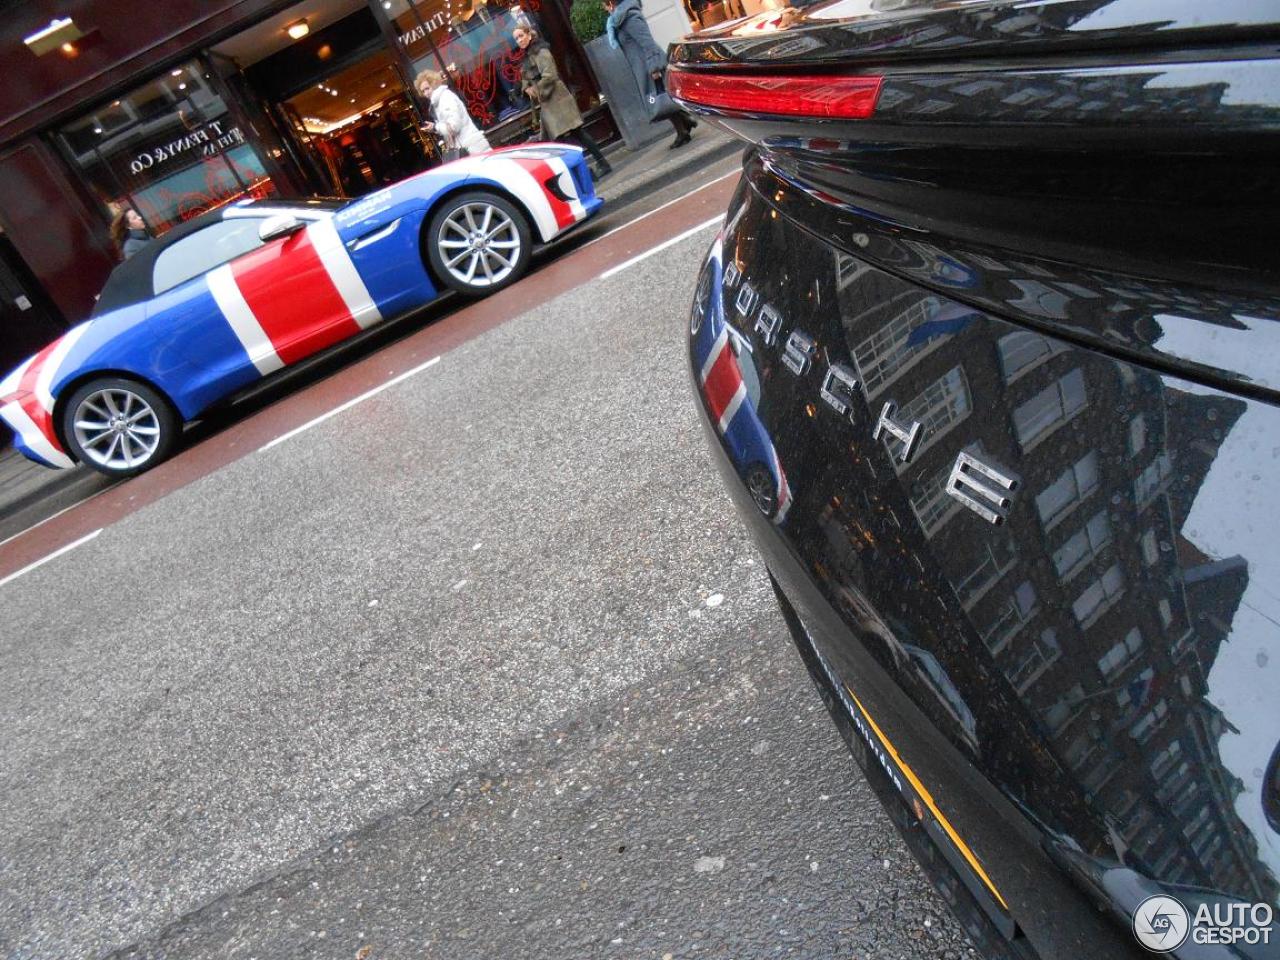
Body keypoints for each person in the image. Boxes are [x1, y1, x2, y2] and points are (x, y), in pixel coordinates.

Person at [513, 26, 613, 178]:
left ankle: (601, 164)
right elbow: (525, 77)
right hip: (548, 103)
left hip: (558, 99)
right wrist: (526, 88)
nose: (520, 40)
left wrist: (537, 91)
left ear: (529, 35)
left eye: (521, 35)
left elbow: (550, 75)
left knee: (577, 132)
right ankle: (585, 172)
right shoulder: (527, 56)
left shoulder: (541, 51)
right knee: (562, 141)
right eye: (517, 38)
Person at [604, 0, 696, 148]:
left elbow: (647, 43)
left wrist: (654, 67)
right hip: (641, 66)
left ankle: (682, 129)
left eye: (606, 3)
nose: (604, 7)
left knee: (661, 98)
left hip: (649, 64)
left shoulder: (630, 17)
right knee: (660, 98)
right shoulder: (619, 19)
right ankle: (685, 123)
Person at [414, 69, 491, 159]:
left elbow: (454, 126)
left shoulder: (445, 98)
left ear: (434, 84)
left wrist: (435, 127)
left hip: (472, 147)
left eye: (427, 88)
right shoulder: (438, 102)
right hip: (468, 147)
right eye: (423, 91)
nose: (426, 93)